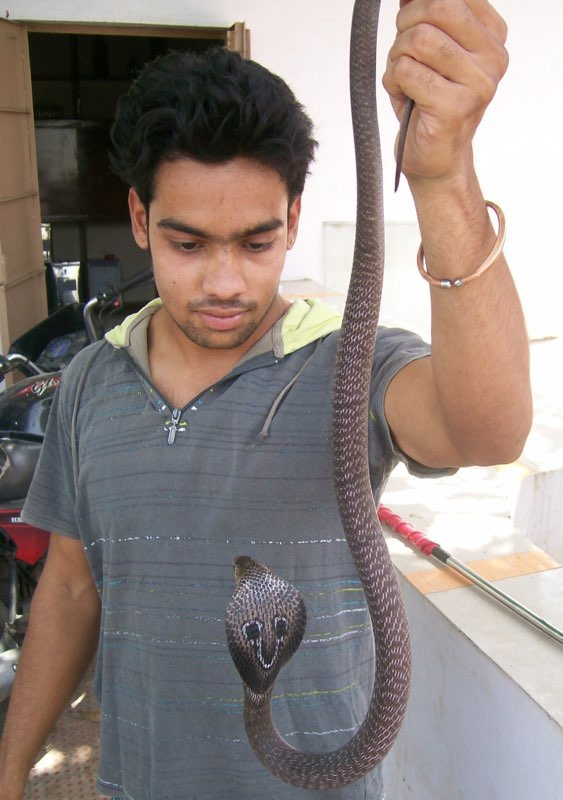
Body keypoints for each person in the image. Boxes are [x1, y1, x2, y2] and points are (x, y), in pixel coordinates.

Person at [0, 1, 532, 798]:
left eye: (255, 243)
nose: (223, 283)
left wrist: (442, 173)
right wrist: (10, 771)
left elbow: (488, 431)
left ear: (291, 220)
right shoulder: (89, 382)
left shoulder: (351, 362)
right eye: (187, 243)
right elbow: (73, 589)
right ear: (140, 218)